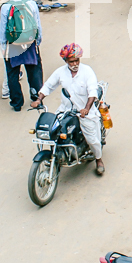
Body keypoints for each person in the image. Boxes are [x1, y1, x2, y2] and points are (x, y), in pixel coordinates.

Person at [33, 43, 104, 176]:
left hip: (85, 112)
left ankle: (99, 159)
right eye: (72, 61)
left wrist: (86, 109)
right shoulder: (61, 72)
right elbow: (48, 85)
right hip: (65, 111)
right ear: (66, 61)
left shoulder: (87, 71)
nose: (75, 63)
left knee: (93, 139)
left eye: (77, 60)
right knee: (54, 131)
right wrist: (39, 99)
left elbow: (92, 92)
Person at [0, 0, 44, 112]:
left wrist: (3, 46)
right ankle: (36, 98)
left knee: (12, 74)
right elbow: (37, 25)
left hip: (13, 45)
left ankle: (17, 103)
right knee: (34, 72)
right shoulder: (31, 4)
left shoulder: (6, 7)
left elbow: (3, 29)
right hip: (30, 43)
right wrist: (38, 40)